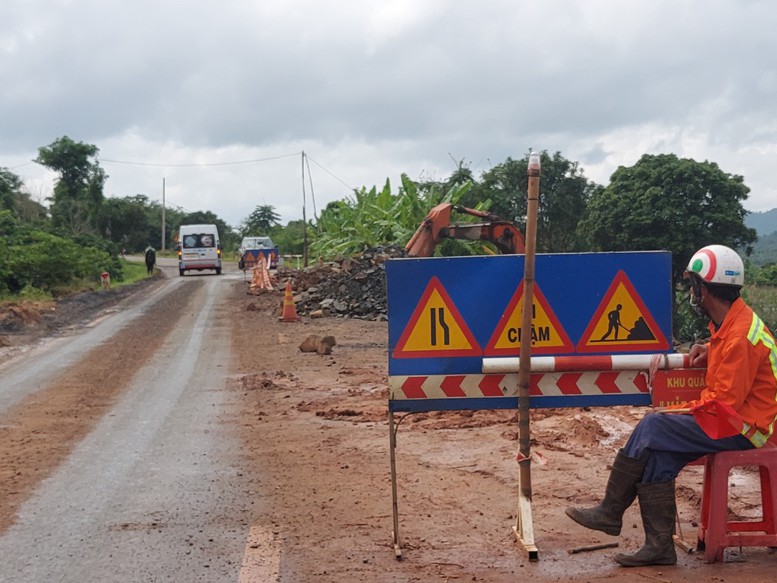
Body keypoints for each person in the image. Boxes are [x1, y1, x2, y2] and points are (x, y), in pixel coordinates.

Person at [565, 244, 777, 567]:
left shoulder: (740, 338)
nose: (693, 292)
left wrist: (677, 411)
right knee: (660, 453)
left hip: (746, 429)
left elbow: (722, 404)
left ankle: (611, 509)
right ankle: (659, 546)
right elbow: (730, 365)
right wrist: (709, 349)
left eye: (694, 285)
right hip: (739, 419)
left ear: (703, 290)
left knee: (654, 424)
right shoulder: (732, 326)